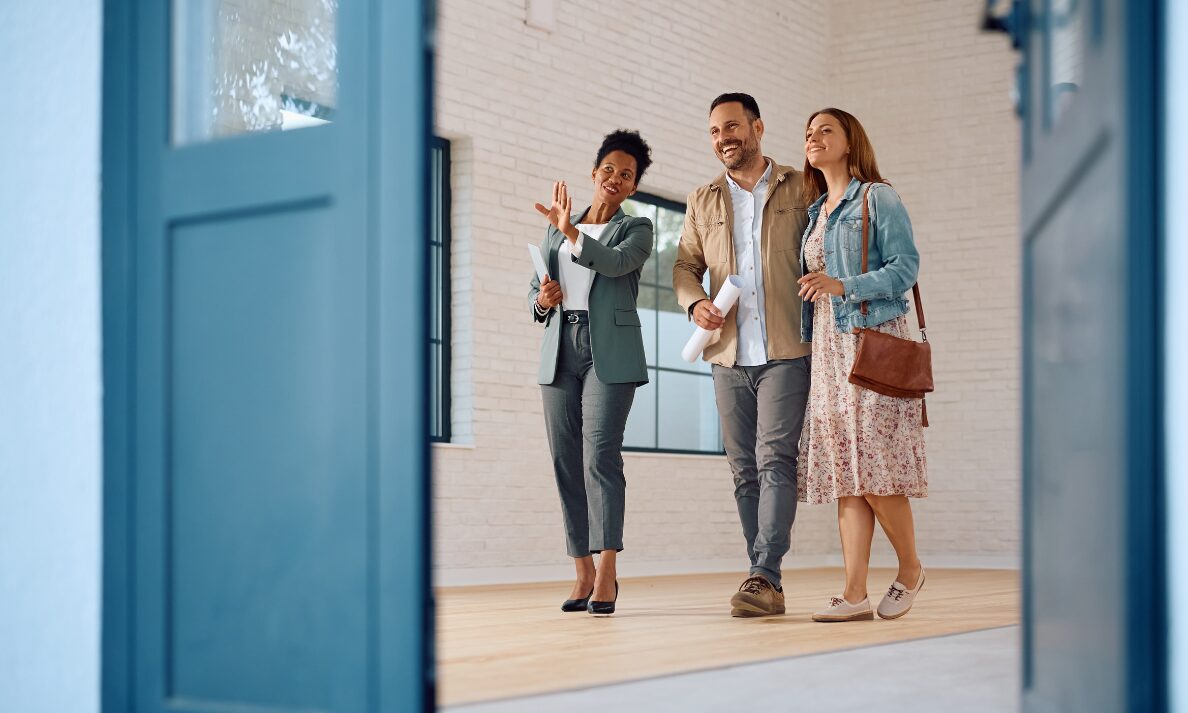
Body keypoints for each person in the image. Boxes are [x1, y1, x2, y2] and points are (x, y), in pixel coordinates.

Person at [672, 93, 812, 617]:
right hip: (727, 356)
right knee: (743, 469)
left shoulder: (801, 185)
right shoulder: (701, 199)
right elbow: (684, 266)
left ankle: (764, 572)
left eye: (731, 126)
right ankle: (764, 579)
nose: (723, 138)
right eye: (714, 131)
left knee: (776, 458)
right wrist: (696, 303)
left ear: (757, 127)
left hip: (786, 348)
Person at [795, 108, 928, 622]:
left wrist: (843, 285)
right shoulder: (815, 212)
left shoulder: (877, 197)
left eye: (825, 130)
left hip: (873, 343)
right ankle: (854, 595)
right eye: (809, 132)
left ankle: (911, 569)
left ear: (850, 142)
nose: (814, 137)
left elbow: (906, 268)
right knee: (848, 475)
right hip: (830, 353)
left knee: (876, 468)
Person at [528, 130, 654, 616]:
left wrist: (572, 232)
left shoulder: (637, 228)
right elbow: (536, 289)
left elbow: (615, 264)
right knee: (565, 460)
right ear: (594, 172)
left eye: (626, 174)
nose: (615, 179)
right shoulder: (557, 227)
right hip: (560, 348)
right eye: (608, 170)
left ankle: (607, 571)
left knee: (599, 455)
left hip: (610, 353)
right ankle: (581, 569)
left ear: (633, 185)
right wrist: (543, 299)